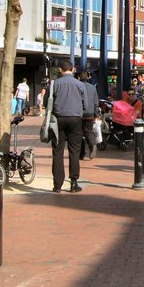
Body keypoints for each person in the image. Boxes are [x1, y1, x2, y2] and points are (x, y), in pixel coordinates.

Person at [50, 61, 87, 193]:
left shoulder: (55, 84)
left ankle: (57, 185)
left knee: (57, 151)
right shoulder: (80, 84)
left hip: (58, 119)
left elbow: (48, 102)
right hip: (75, 119)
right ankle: (74, 183)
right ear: (73, 69)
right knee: (74, 151)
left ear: (61, 69)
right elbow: (86, 105)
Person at [79, 71, 100, 160]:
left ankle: (82, 153)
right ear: (88, 78)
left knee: (79, 134)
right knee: (89, 131)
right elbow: (96, 102)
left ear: (79, 78)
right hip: (90, 113)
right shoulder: (92, 88)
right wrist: (96, 113)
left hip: (79, 113)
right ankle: (92, 145)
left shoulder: (77, 86)